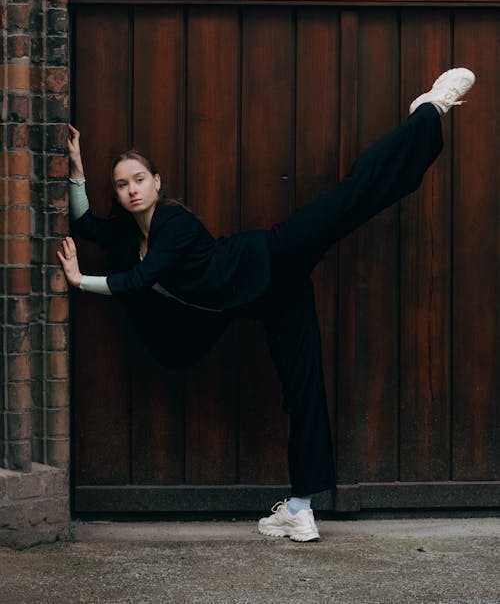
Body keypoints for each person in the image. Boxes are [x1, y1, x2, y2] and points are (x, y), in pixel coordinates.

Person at [58, 67, 475, 542]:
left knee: (351, 198)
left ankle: (427, 110)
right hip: (272, 298)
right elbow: (88, 224)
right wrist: (77, 169)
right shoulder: (133, 232)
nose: (131, 189)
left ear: (157, 181)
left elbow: (140, 280)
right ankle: (300, 508)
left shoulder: (170, 222)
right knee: (303, 389)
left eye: (138, 179)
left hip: (274, 256)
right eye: (121, 184)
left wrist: (79, 281)